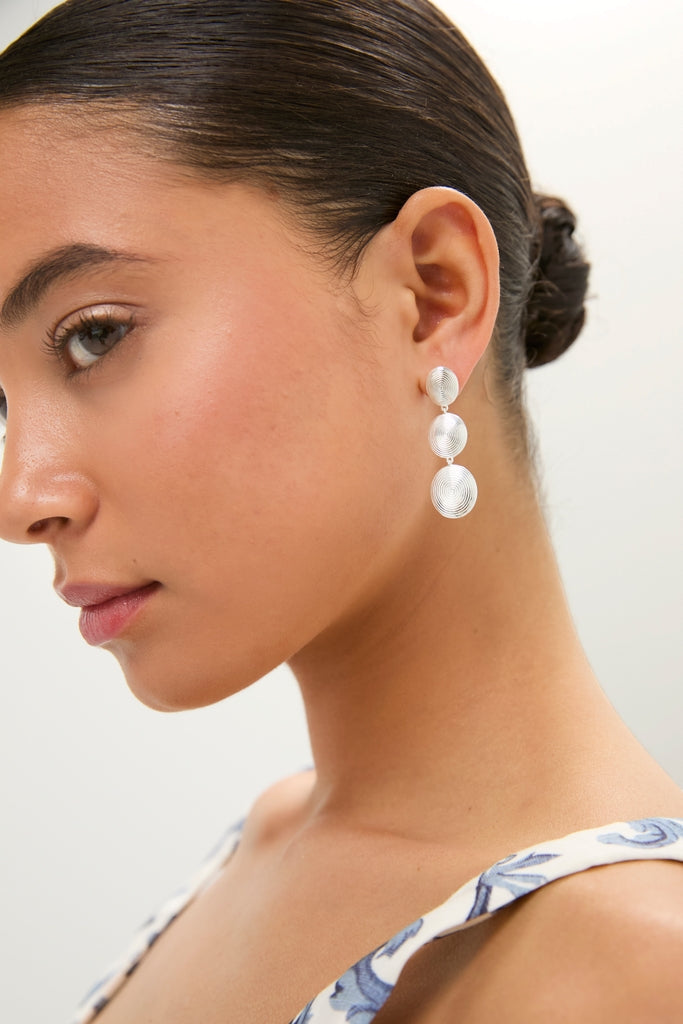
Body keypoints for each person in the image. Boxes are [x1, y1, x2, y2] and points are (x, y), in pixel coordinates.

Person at [0, 0, 682, 1021]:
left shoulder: (630, 967)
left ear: (432, 293)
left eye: (93, 335)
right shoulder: (266, 839)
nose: (22, 500)